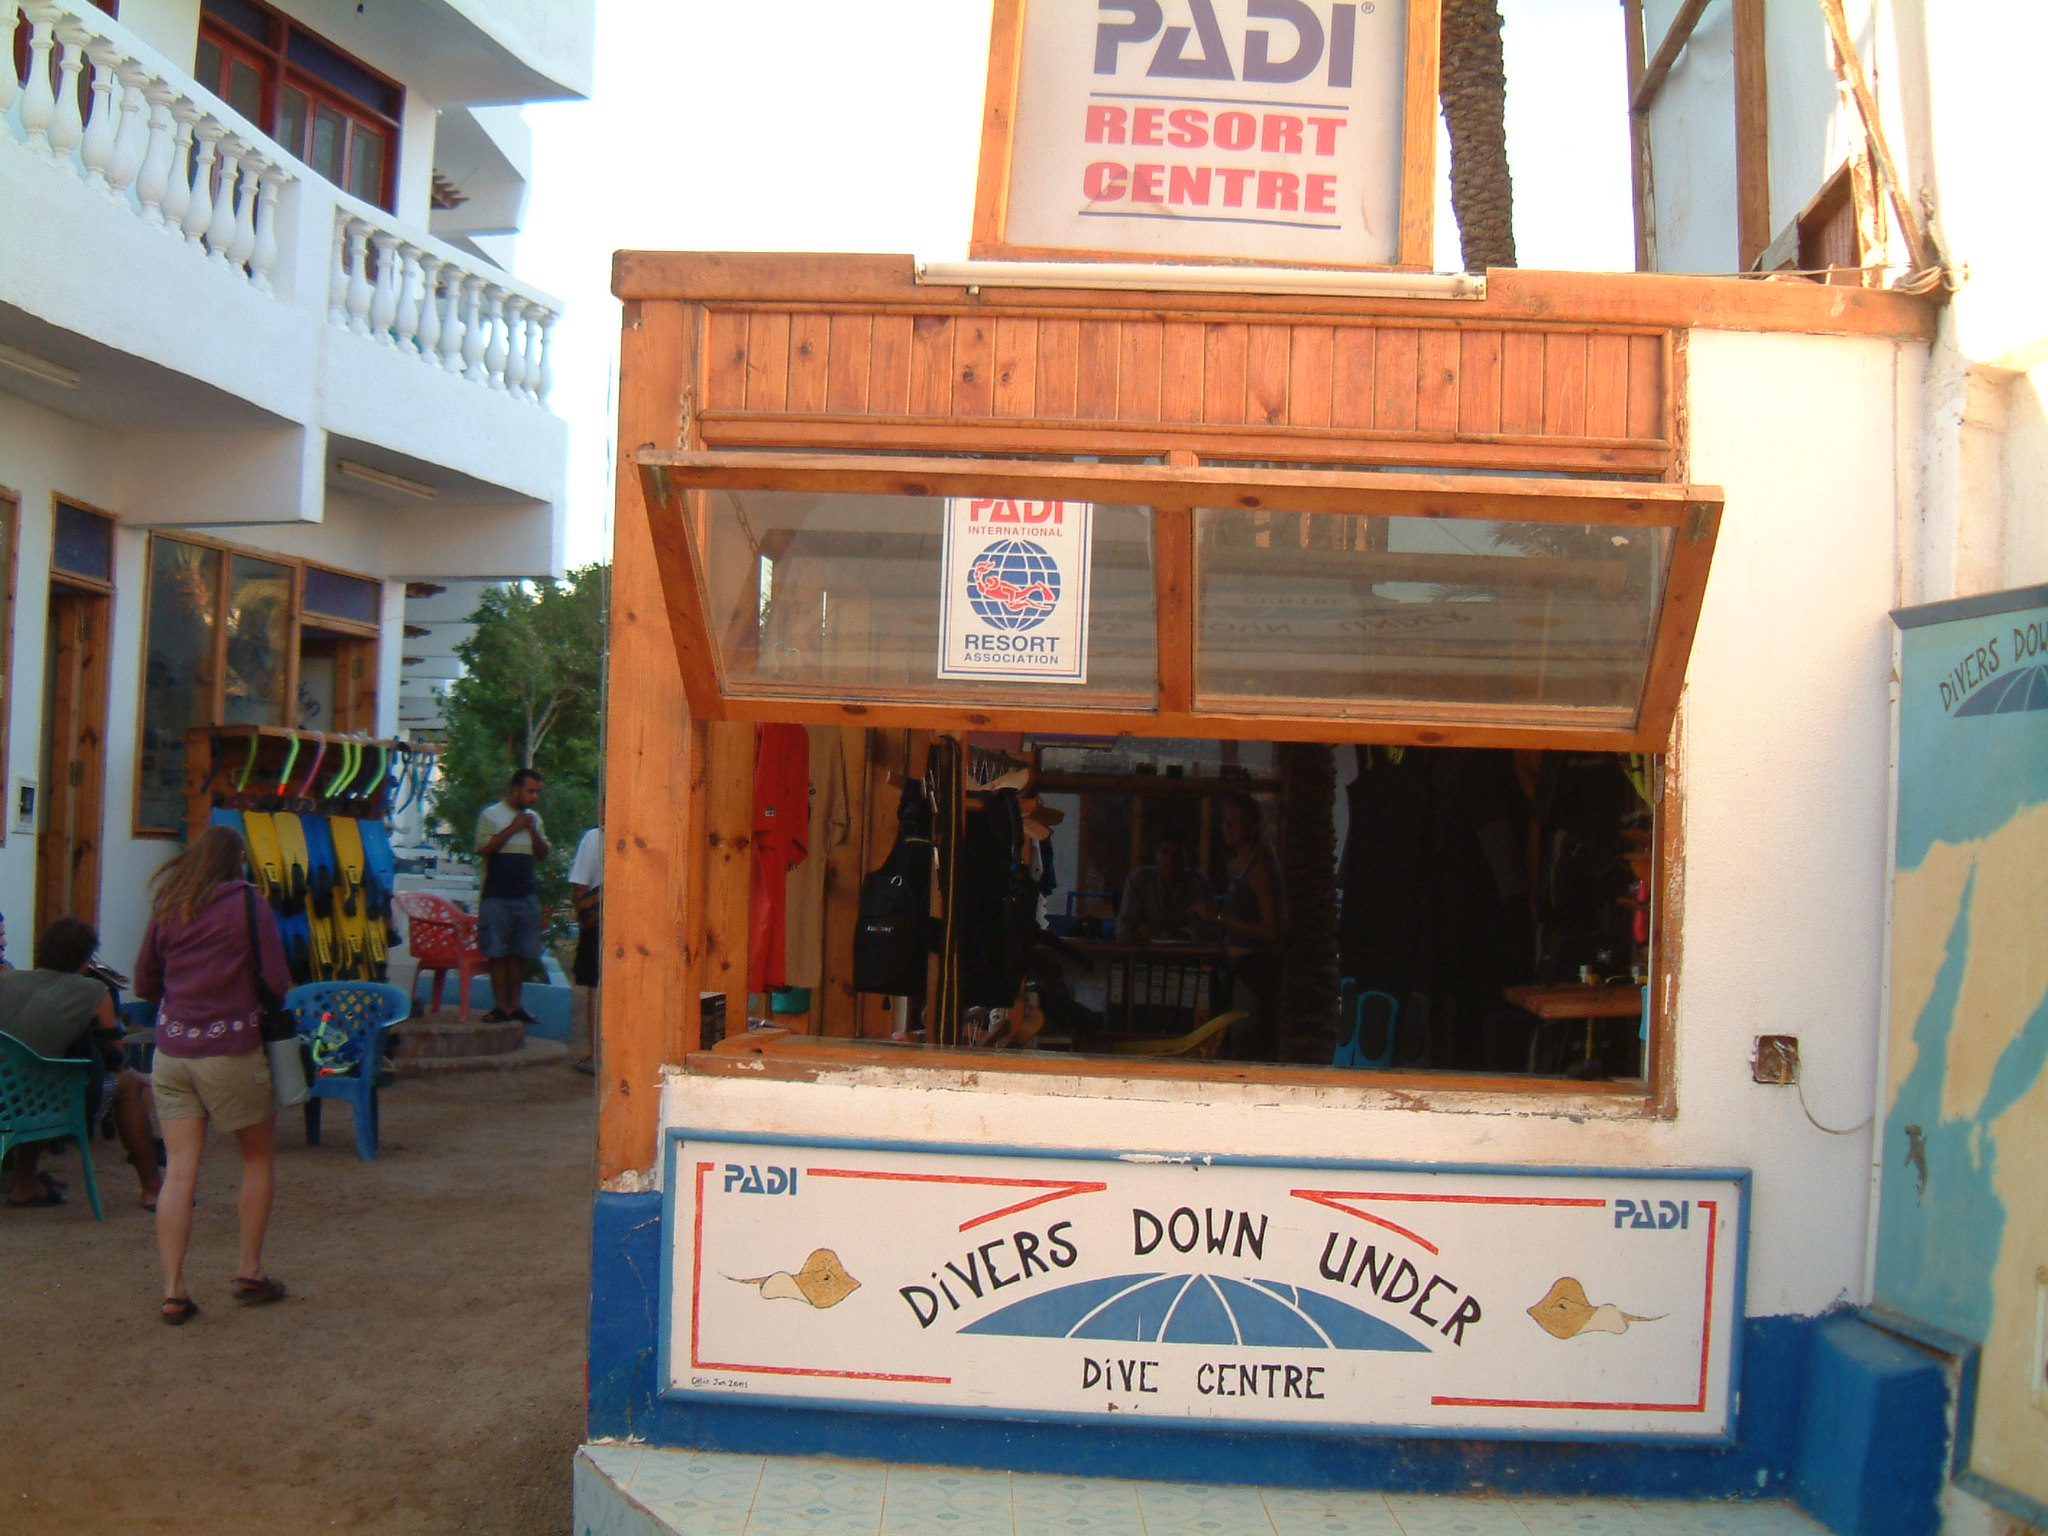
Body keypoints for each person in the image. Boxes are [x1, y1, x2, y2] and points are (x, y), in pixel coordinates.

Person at [134, 825, 292, 1325]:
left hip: (171, 1051)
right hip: (231, 1050)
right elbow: (277, 981)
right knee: (257, 1157)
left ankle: (173, 1290)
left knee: (180, 1171)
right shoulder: (248, 904)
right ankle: (249, 1270)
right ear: (237, 859)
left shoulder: (169, 903)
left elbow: (144, 980)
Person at [0, 917, 162, 1211]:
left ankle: (25, 1182)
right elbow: (117, 1059)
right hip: (45, 1099)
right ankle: (152, 1188)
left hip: (6, 1098)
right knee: (126, 1085)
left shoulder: (7, 979)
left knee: (39, 1074)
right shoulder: (94, 992)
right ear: (86, 958)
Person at [1188, 795, 1284, 1060]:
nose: (1227, 828)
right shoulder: (1235, 866)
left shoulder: (1259, 869)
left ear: (1253, 826)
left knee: (1245, 1044)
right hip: (1232, 967)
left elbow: (1272, 931)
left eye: (1235, 822)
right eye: (1225, 822)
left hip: (1254, 970)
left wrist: (1220, 917)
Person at [474, 768, 550, 1025]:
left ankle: (515, 1005)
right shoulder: (491, 815)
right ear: (516, 789)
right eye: (530, 791)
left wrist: (532, 831)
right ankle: (500, 1007)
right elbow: (484, 848)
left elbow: (543, 854)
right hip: (496, 896)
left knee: (520, 953)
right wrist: (512, 828)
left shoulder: (534, 819)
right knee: (497, 953)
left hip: (525, 896)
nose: (534, 797)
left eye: (537, 792)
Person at [1113, 839, 1215, 944]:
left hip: (1187, 952)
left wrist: (1164, 935)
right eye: (1165, 852)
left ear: (1186, 858)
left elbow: (1209, 927)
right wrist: (1136, 931)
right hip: (1144, 950)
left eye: (1177, 854)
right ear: (1156, 856)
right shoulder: (1139, 879)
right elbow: (1124, 924)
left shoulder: (1198, 883)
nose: (1170, 859)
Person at [567, 824, 602, 1076]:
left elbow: (579, 888)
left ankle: (596, 1055)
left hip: (600, 922)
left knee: (596, 986)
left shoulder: (594, 837)